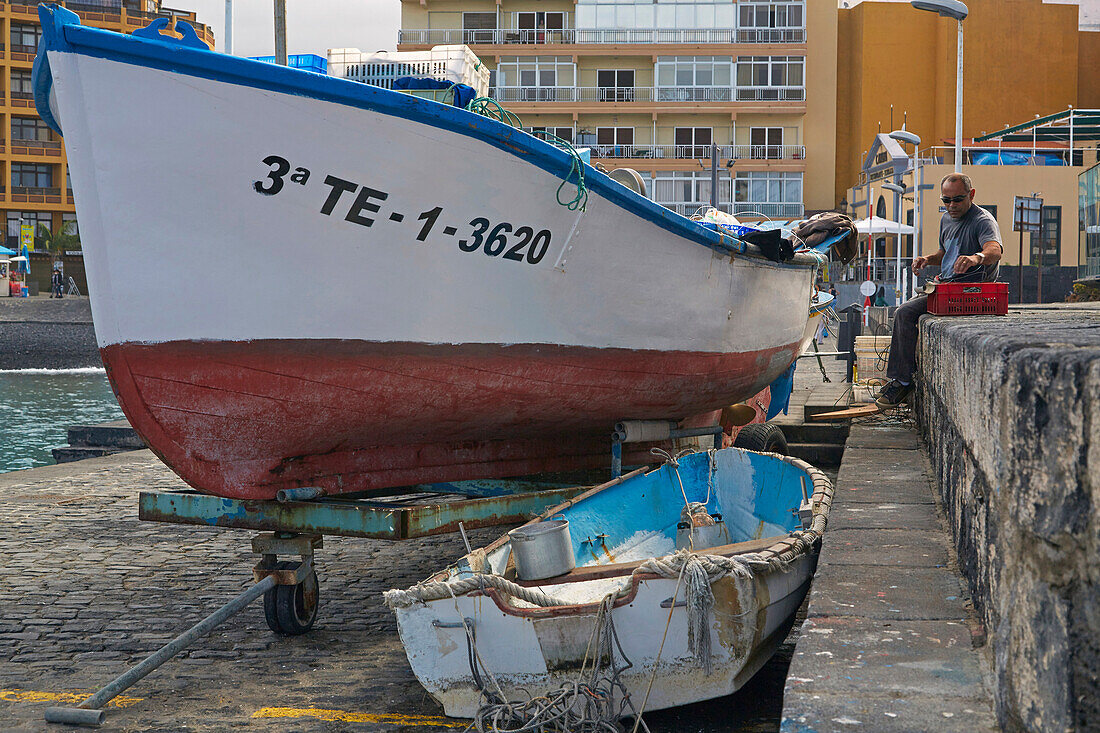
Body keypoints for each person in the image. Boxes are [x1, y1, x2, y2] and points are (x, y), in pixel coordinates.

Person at [875, 173, 1003, 408]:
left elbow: (995, 249)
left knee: (905, 313)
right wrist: (927, 258)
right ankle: (901, 376)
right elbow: (945, 252)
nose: (951, 206)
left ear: (971, 195)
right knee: (908, 309)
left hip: (969, 290)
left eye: (957, 200)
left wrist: (977, 258)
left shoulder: (983, 220)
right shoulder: (946, 219)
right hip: (945, 285)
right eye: (946, 201)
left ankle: (902, 382)